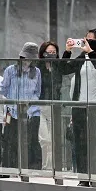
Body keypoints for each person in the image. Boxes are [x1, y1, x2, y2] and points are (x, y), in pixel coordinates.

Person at [59, 28, 96, 187]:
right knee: (80, 143)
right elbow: (63, 69)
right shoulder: (82, 58)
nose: (87, 42)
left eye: (91, 40)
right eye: (86, 39)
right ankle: (84, 177)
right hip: (79, 107)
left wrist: (91, 53)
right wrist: (67, 51)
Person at [1, 42, 43, 170]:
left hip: (31, 112)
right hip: (12, 111)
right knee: (11, 141)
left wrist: (30, 106)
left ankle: (31, 169)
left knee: (31, 141)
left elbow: (37, 91)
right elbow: (3, 89)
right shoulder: (10, 70)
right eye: (25, 58)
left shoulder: (36, 72)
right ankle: (10, 168)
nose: (27, 61)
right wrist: (11, 103)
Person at [37, 40, 62, 170]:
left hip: (54, 105)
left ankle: (52, 167)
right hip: (40, 105)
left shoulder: (57, 67)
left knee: (53, 139)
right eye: (49, 52)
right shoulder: (38, 67)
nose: (51, 55)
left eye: (54, 52)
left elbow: (68, 67)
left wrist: (68, 51)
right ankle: (44, 166)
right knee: (44, 139)